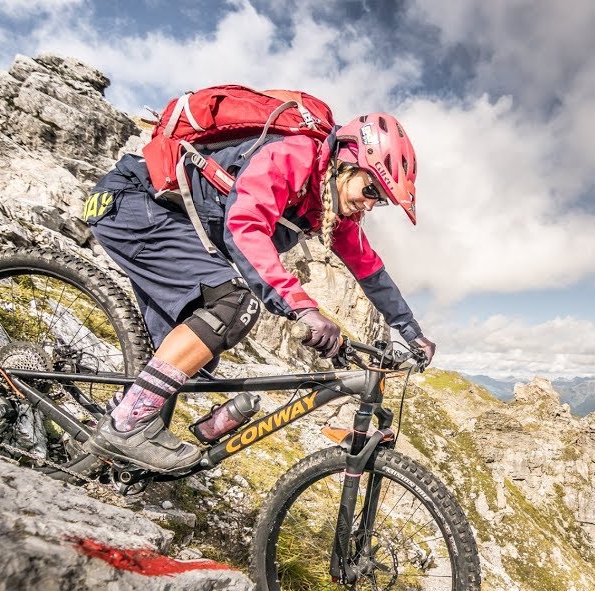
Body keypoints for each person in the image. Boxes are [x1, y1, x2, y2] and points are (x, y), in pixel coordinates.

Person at [79, 112, 435, 474]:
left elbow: (369, 269)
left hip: (174, 224)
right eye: (371, 189)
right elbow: (244, 226)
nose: (372, 204)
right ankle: (124, 426)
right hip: (133, 203)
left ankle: (93, 457)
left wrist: (411, 331)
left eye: (382, 199)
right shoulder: (292, 156)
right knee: (232, 306)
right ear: (345, 164)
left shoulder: (328, 207)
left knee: (186, 357)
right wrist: (303, 308)